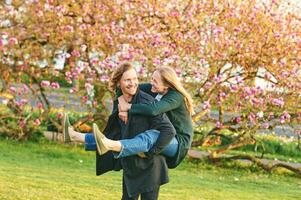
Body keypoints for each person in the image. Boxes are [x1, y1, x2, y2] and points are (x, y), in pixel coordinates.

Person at [65, 63, 176, 200]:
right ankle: (73, 135)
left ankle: (74, 135)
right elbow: (113, 136)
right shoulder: (119, 102)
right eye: (127, 80)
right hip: (131, 163)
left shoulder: (147, 102)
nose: (133, 83)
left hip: (151, 166)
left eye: (135, 79)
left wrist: (150, 152)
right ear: (119, 82)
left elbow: (169, 130)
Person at [66, 66, 194, 168]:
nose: (151, 83)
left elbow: (153, 110)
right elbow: (125, 88)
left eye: (155, 81)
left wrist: (128, 108)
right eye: (152, 79)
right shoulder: (155, 89)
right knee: (123, 133)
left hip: (177, 142)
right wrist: (121, 101)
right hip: (163, 134)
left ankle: (109, 145)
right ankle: (75, 136)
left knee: (151, 136)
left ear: (167, 84)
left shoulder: (176, 96)